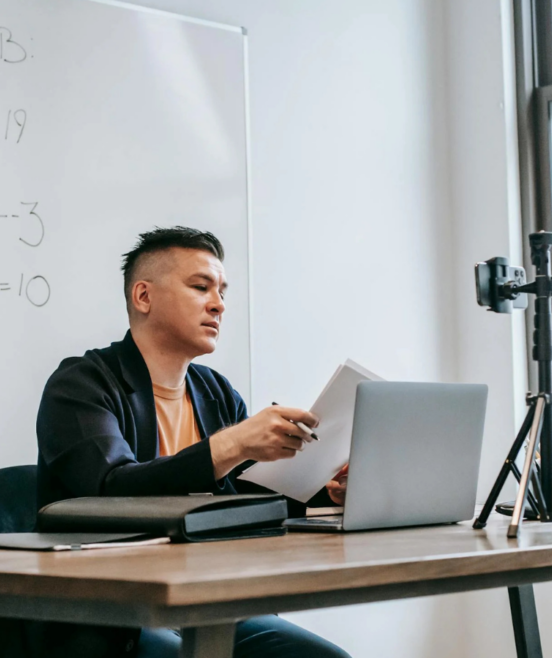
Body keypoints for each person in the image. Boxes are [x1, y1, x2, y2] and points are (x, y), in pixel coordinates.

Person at [35, 226, 351, 658]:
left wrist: (326, 493)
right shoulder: (80, 385)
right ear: (143, 297)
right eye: (201, 287)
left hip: (211, 603)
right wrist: (232, 445)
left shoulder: (216, 392)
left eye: (221, 290)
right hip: (113, 614)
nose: (219, 304)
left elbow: (254, 501)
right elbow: (109, 489)